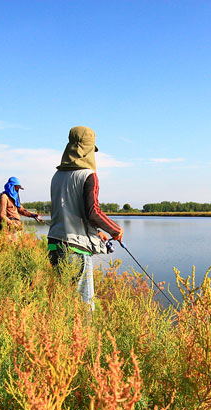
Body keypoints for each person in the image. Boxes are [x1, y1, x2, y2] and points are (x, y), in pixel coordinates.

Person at [48, 126, 123, 309]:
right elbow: (93, 212)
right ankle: (84, 338)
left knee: (63, 302)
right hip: (76, 250)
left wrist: (97, 232)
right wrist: (115, 230)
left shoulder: (56, 176)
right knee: (84, 308)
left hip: (53, 244)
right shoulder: (89, 176)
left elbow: (72, 211)